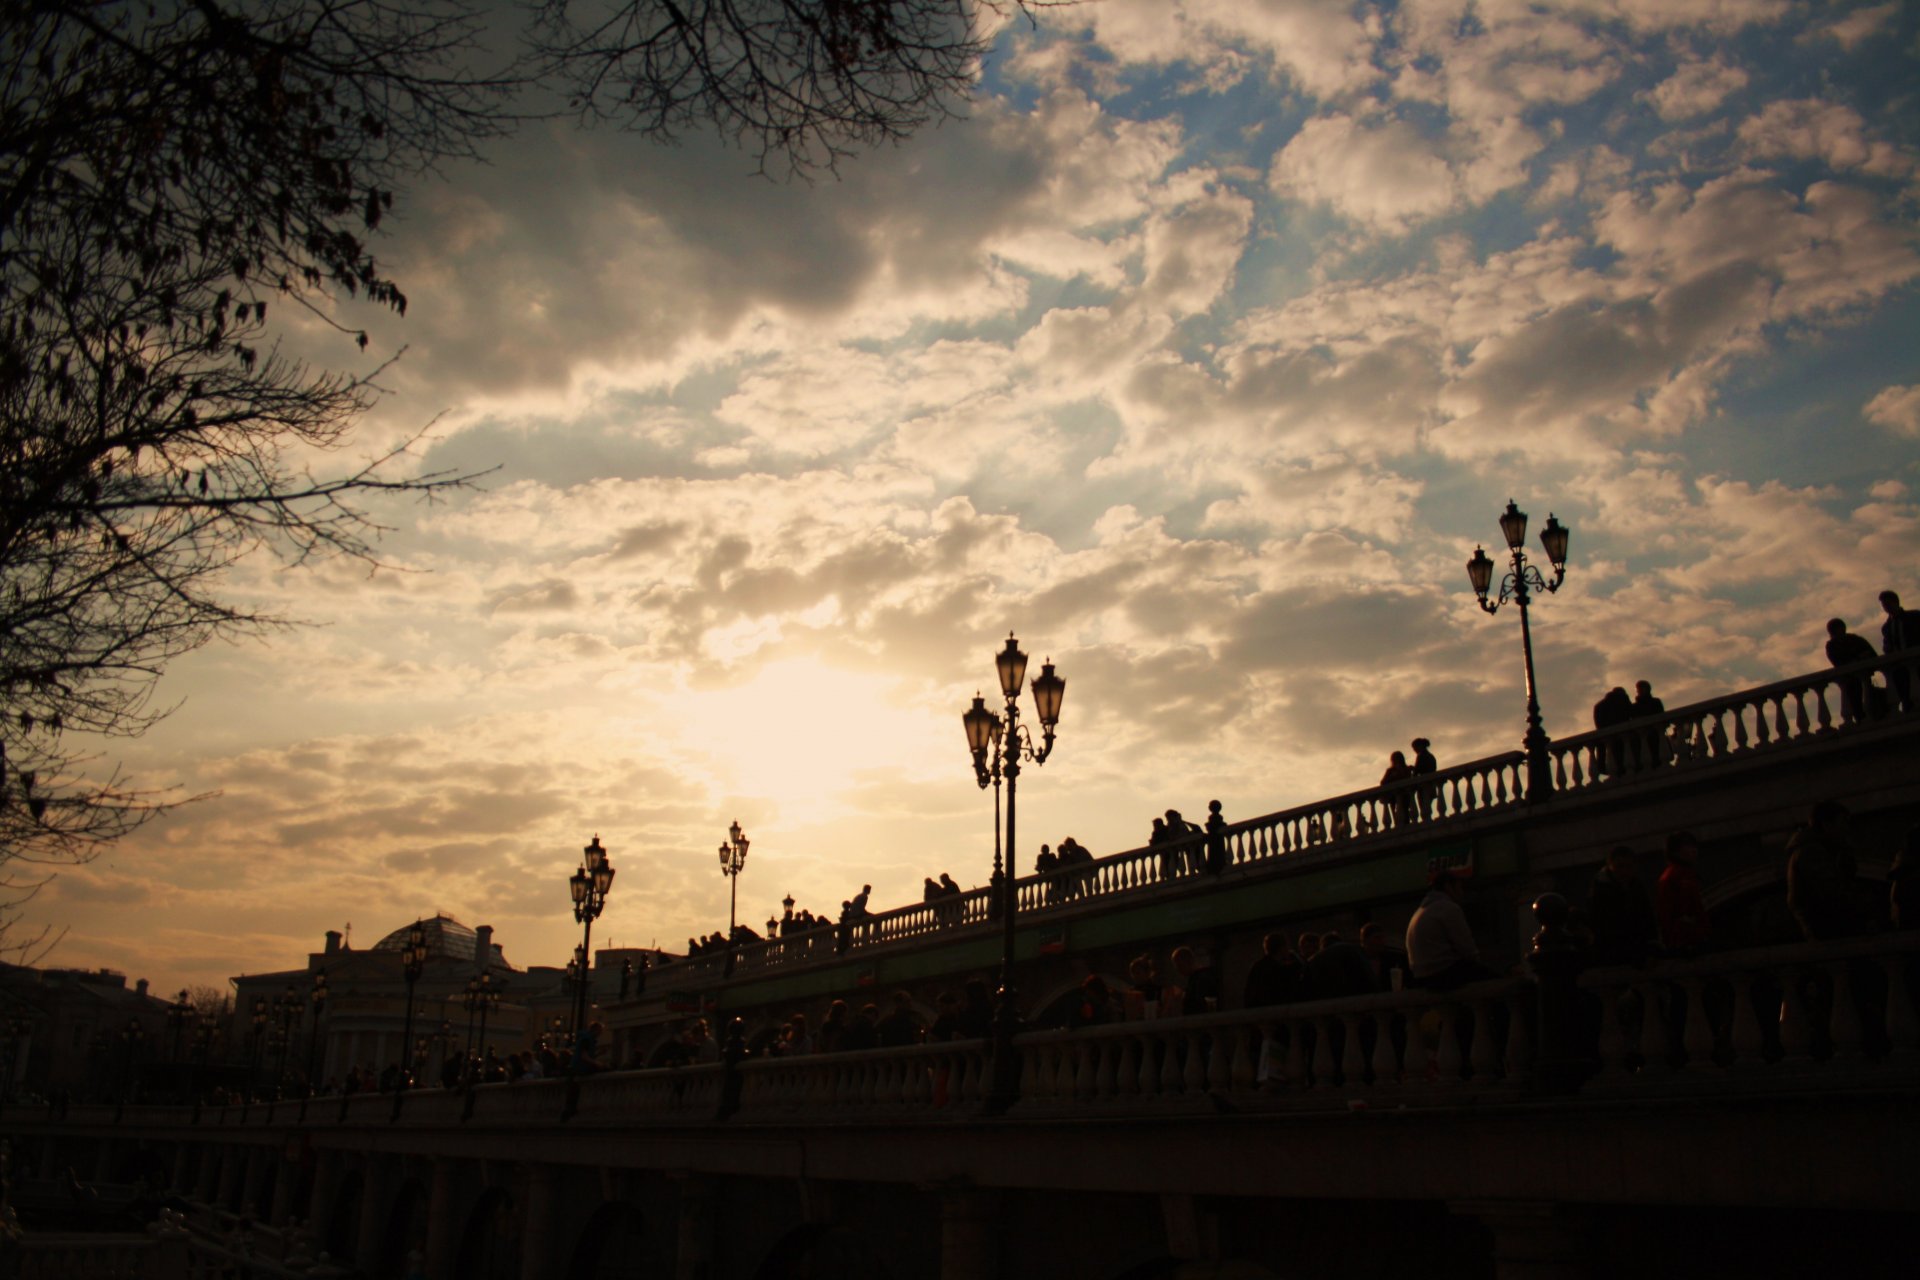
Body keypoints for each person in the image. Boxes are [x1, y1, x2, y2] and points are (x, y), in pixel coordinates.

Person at [1406, 871, 1497, 990]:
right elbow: (1467, 949)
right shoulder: (1448, 908)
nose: (1462, 893)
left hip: (1421, 978)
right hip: (1444, 974)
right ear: (1448, 887)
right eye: (1459, 888)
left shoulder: (1419, 912)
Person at [1786, 801, 1863, 941]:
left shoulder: (1825, 851)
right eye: (1843, 822)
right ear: (1827, 825)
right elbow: (1831, 892)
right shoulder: (1811, 853)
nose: (1847, 828)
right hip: (1828, 935)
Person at [1589, 846, 1658, 965]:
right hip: (1617, 954)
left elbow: (1647, 916)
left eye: (1628, 866)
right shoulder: (1601, 892)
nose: (1624, 872)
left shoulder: (1635, 886)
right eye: (1620, 867)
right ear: (1610, 866)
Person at [1655, 831, 1711, 953]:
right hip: (1686, 941)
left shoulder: (1688, 874)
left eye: (1694, 846)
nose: (1694, 850)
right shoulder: (1673, 877)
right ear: (1675, 851)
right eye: (1688, 846)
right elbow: (1667, 913)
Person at [1824, 618, 1880, 723]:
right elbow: (1839, 662)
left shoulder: (1855, 640)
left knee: (1867, 705)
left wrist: (1854, 659)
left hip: (1862, 679)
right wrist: (1858, 657)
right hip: (1851, 682)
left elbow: (1872, 655)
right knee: (1857, 707)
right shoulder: (1832, 646)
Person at [1881, 590, 1920, 710]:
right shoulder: (1887, 626)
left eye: (1888, 605)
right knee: (1905, 694)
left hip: (1916, 662)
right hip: (1900, 667)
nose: (1886, 608)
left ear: (1896, 602)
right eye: (1884, 606)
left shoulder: (1915, 616)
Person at [1592, 685, 1634, 775]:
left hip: (1607, 738)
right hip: (1622, 737)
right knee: (1622, 760)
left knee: (1614, 759)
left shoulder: (1599, 705)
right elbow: (1632, 714)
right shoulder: (1623, 700)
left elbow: (1598, 724)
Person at [1359, 922, 1410, 991]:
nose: (1382, 941)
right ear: (1365, 940)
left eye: (1383, 938)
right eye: (1377, 938)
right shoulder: (1358, 961)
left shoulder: (1392, 960)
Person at [1380, 750, 1414, 826]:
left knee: (1405, 809)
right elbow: (1383, 782)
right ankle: (1398, 823)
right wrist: (1393, 777)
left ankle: (1405, 823)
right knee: (1395, 810)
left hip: (1405, 794)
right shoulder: (1390, 770)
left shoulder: (1406, 769)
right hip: (1393, 795)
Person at [1410, 738, 1438, 819]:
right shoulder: (1430, 756)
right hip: (1431, 785)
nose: (1414, 750)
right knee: (1427, 807)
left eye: (1414, 747)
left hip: (1425, 785)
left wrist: (1413, 770)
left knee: (1424, 808)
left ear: (1420, 746)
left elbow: (1418, 771)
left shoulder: (1421, 756)